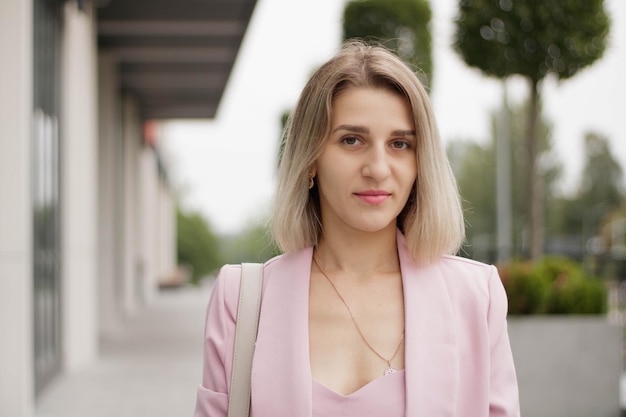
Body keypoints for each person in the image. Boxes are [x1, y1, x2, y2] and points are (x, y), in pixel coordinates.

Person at [194, 40, 520, 417]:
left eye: (400, 144)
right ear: (310, 158)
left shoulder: (477, 298)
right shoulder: (241, 300)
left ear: (421, 162)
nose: (378, 168)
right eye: (352, 140)